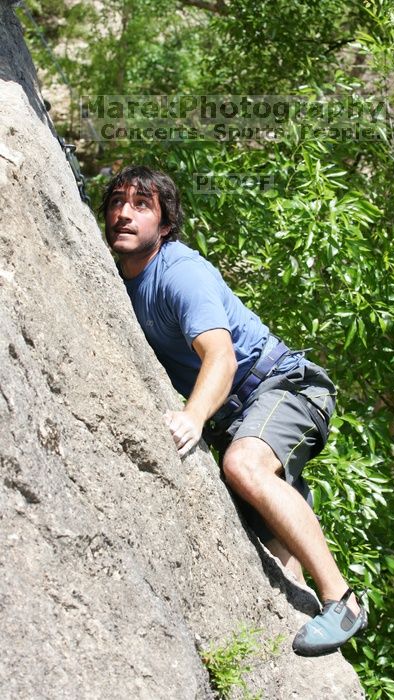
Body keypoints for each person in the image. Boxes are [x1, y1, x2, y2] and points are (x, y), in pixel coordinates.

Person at [101, 164, 367, 656]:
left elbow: (221, 357)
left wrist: (192, 417)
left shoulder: (179, 273)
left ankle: (344, 601)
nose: (124, 213)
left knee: (244, 465)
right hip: (243, 415)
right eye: (117, 202)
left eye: (141, 205)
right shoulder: (118, 282)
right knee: (275, 561)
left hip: (284, 386)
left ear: (164, 224)